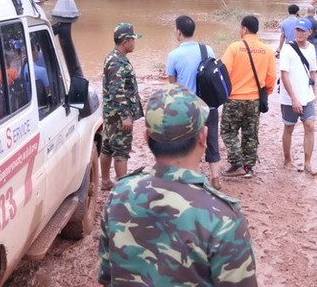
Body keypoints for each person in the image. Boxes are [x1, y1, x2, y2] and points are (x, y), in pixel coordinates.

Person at [98, 85, 258, 286]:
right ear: (203, 136)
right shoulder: (223, 217)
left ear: (147, 138)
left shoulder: (119, 195)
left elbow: (106, 276)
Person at [165, 15, 222, 188]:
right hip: (209, 104)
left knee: (189, 143)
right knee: (212, 140)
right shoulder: (207, 50)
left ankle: (192, 176)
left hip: (187, 106)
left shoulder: (174, 55)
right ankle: (215, 178)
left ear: (178, 32)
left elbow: (172, 83)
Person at [220, 15, 277, 179]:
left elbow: (224, 72)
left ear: (244, 29)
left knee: (228, 132)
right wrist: (265, 93)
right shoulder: (267, 50)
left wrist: (224, 93)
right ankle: (248, 167)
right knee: (250, 134)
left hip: (234, 98)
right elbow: (271, 77)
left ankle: (237, 163)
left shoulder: (234, 48)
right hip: (254, 100)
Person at [100, 22, 144, 191]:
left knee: (108, 146)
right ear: (125, 41)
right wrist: (125, 116)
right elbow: (117, 91)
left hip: (111, 114)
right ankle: (122, 190)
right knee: (121, 150)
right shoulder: (117, 63)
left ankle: (105, 181)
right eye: (133, 39)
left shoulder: (114, 58)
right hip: (118, 116)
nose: (135, 42)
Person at [279, 17, 317, 174]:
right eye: (297, 30)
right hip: (290, 98)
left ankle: (307, 163)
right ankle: (287, 159)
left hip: (307, 97)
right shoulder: (287, 49)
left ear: (310, 32)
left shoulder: (311, 49)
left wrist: (313, 93)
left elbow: (312, 72)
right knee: (289, 127)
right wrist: (294, 98)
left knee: (310, 126)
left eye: (303, 31)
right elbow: (284, 76)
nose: (299, 33)